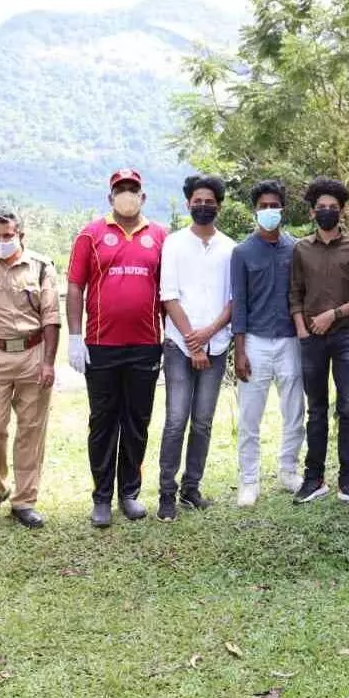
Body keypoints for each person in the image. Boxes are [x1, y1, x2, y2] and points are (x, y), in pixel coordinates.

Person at [66, 169, 168, 528]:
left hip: (145, 346)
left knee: (137, 420)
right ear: (110, 197)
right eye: (120, 190)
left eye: (133, 190)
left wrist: (167, 338)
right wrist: (75, 338)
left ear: (143, 196)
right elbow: (76, 287)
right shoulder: (90, 235)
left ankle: (129, 493)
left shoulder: (159, 236)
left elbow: (167, 293)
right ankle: (101, 498)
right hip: (101, 346)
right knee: (103, 421)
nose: (127, 195)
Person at [0, 209, 59, 530]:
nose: (2, 242)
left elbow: (51, 317)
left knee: (31, 430)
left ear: (21, 234)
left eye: (8, 235)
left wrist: (48, 362)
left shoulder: (42, 267)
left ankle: (25, 500)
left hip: (32, 352)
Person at [289, 177, 349, 505]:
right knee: (317, 409)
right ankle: (313, 479)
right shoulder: (301, 248)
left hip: (346, 336)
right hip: (311, 339)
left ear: (343, 211)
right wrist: (301, 326)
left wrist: (334, 315)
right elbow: (294, 292)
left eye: (332, 208)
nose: (327, 212)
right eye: (321, 208)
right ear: (312, 212)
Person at [157, 174, 235, 521]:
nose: (204, 206)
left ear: (219, 205)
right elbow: (168, 295)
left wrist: (207, 337)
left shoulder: (230, 247)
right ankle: (166, 494)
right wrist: (192, 339)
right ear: (189, 203)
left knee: (203, 421)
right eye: (197, 201)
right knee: (176, 420)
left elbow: (234, 300)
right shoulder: (173, 243)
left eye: (210, 201)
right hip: (178, 345)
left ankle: (192, 488)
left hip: (216, 345)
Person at [230, 180, 305, 507]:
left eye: (275, 205)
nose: (270, 211)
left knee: (294, 411)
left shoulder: (296, 249)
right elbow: (240, 303)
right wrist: (240, 351)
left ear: (283, 209)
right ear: (255, 210)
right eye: (263, 206)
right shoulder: (242, 252)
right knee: (249, 417)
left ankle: (289, 470)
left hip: (290, 341)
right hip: (256, 343)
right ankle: (249, 480)